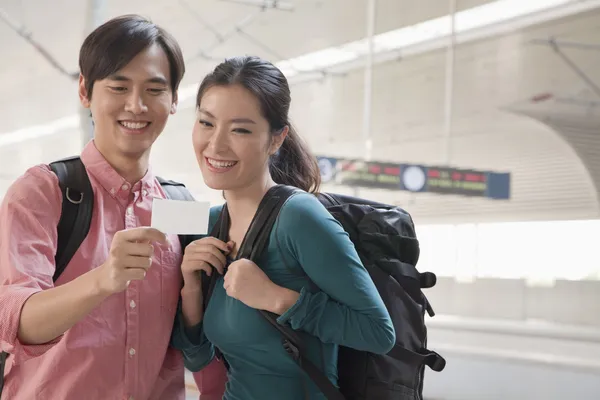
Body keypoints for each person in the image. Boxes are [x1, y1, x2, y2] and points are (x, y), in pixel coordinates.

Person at [170, 56, 396, 400]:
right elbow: (198, 356)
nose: (215, 145)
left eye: (240, 129)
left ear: (276, 139)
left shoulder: (298, 217)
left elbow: (379, 332)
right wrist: (190, 286)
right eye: (206, 123)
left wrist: (276, 298)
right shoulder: (212, 224)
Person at [0, 15, 187, 399]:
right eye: (118, 86)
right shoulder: (42, 192)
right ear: (85, 91)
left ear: (174, 101)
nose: (136, 105)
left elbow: (191, 335)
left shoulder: (180, 204)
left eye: (154, 89)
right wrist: (104, 279)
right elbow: (18, 322)